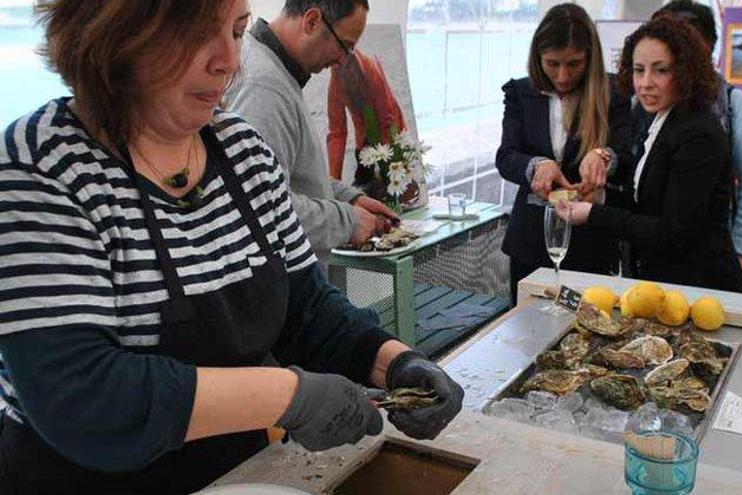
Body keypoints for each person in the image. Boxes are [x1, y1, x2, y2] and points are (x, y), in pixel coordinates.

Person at [0, 1, 463, 493]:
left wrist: (394, 362)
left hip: (235, 476)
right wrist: (288, 395)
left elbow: (306, 309)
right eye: (199, 34)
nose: (229, 60)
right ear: (116, 33)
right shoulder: (39, 170)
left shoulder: (242, 151)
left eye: (237, 31)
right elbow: (84, 399)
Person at [556, 15, 742, 292]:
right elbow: (649, 205)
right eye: (638, 70)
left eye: (660, 70)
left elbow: (673, 234)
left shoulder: (698, 132)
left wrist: (593, 214)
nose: (645, 83)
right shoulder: (661, 118)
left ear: (685, 71)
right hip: (668, 282)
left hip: (701, 286)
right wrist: (601, 196)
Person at [227, 0, 398, 260]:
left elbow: (291, 172)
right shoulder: (265, 88)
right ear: (312, 22)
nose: (342, 60)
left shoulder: (277, 73)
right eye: (344, 46)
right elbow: (263, 206)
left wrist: (348, 198)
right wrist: (349, 221)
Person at [495, 3, 632, 301]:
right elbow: (506, 157)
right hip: (530, 240)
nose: (562, 75)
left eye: (574, 64)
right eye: (552, 63)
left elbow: (628, 155)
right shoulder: (520, 92)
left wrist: (604, 156)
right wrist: (536, 166)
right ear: (537, 57)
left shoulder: (614, 92)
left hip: (590, 239)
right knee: (526, 330)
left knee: (586, 327)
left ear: (590, 58)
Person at [647, 0, 742, 275]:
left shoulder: (734, 103)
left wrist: (740, 250)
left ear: (708, 47)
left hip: (713, 252)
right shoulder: (646, 102)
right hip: (652, 246)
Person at [327, 49, 406, 190]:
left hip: (390, 128)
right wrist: (334, 181)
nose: (346, 73)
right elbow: (337, 133)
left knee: (395, 181)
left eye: (348, 67)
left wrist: (386, 165)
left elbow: (387, 119)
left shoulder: (371, 68)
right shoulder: (336, 85)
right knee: (362, 181)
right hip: (364, 135)